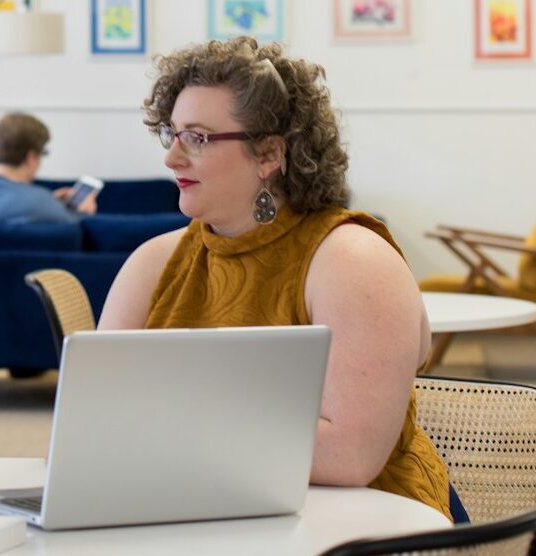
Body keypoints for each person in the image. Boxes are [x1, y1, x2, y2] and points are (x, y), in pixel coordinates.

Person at [98, 37, 458, 522]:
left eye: (198, 138)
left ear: (268, 154)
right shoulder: (152, 264)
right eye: (172, 134)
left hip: (367, 526)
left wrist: (163, 434)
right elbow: (95, 427)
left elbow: (351, 457)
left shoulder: (352, 260)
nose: (172, 159)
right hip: (203, 513)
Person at [0, 112, 97, 225]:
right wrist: (84, 214)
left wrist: (51, 202)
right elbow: (71, 226)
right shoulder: (38, 203)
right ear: (31, 157)